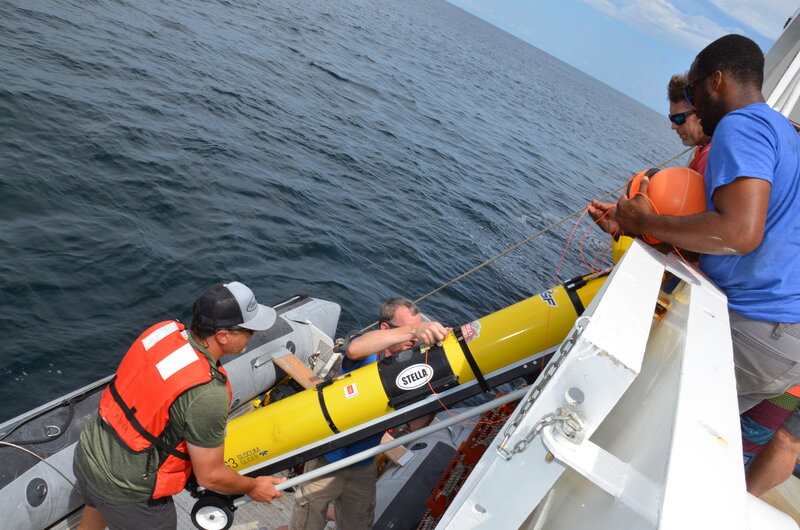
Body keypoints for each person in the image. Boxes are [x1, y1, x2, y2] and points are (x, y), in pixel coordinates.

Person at [589, 34, 800, 496]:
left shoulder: (740, 126)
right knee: (673, 445)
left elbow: (740, 233)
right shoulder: (783, 130)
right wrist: (639, 225)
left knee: (634, 424)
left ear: (717, 81)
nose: (693, 101)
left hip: (755, 326)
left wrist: (651, 221)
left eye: (695, 90)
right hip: (783, 339)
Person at [74, 281, 286, 530]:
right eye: (249, 330)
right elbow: (211, 475)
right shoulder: (207, 393)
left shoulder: (162, 331)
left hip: (89, 453)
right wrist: (253, 487)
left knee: (95, 506)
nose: (254, 335)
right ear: (223, 336)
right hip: (128, 490)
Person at [287, 298, 451, 530]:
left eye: (414, 333)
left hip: (363, 464)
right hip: (329, 457)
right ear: (386, 328)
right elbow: (354, 348)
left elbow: (417, 427)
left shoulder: (405, 367)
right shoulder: (368, 354)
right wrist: (414, 330)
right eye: (405, 331)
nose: (412, 340)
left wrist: (437, 376)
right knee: (307, 522)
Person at [667, 73, 711, 175]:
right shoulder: (702, 151)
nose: (673, 126)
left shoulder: (710, 157)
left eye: (678, 118)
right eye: (671, 118)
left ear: (701, 112)